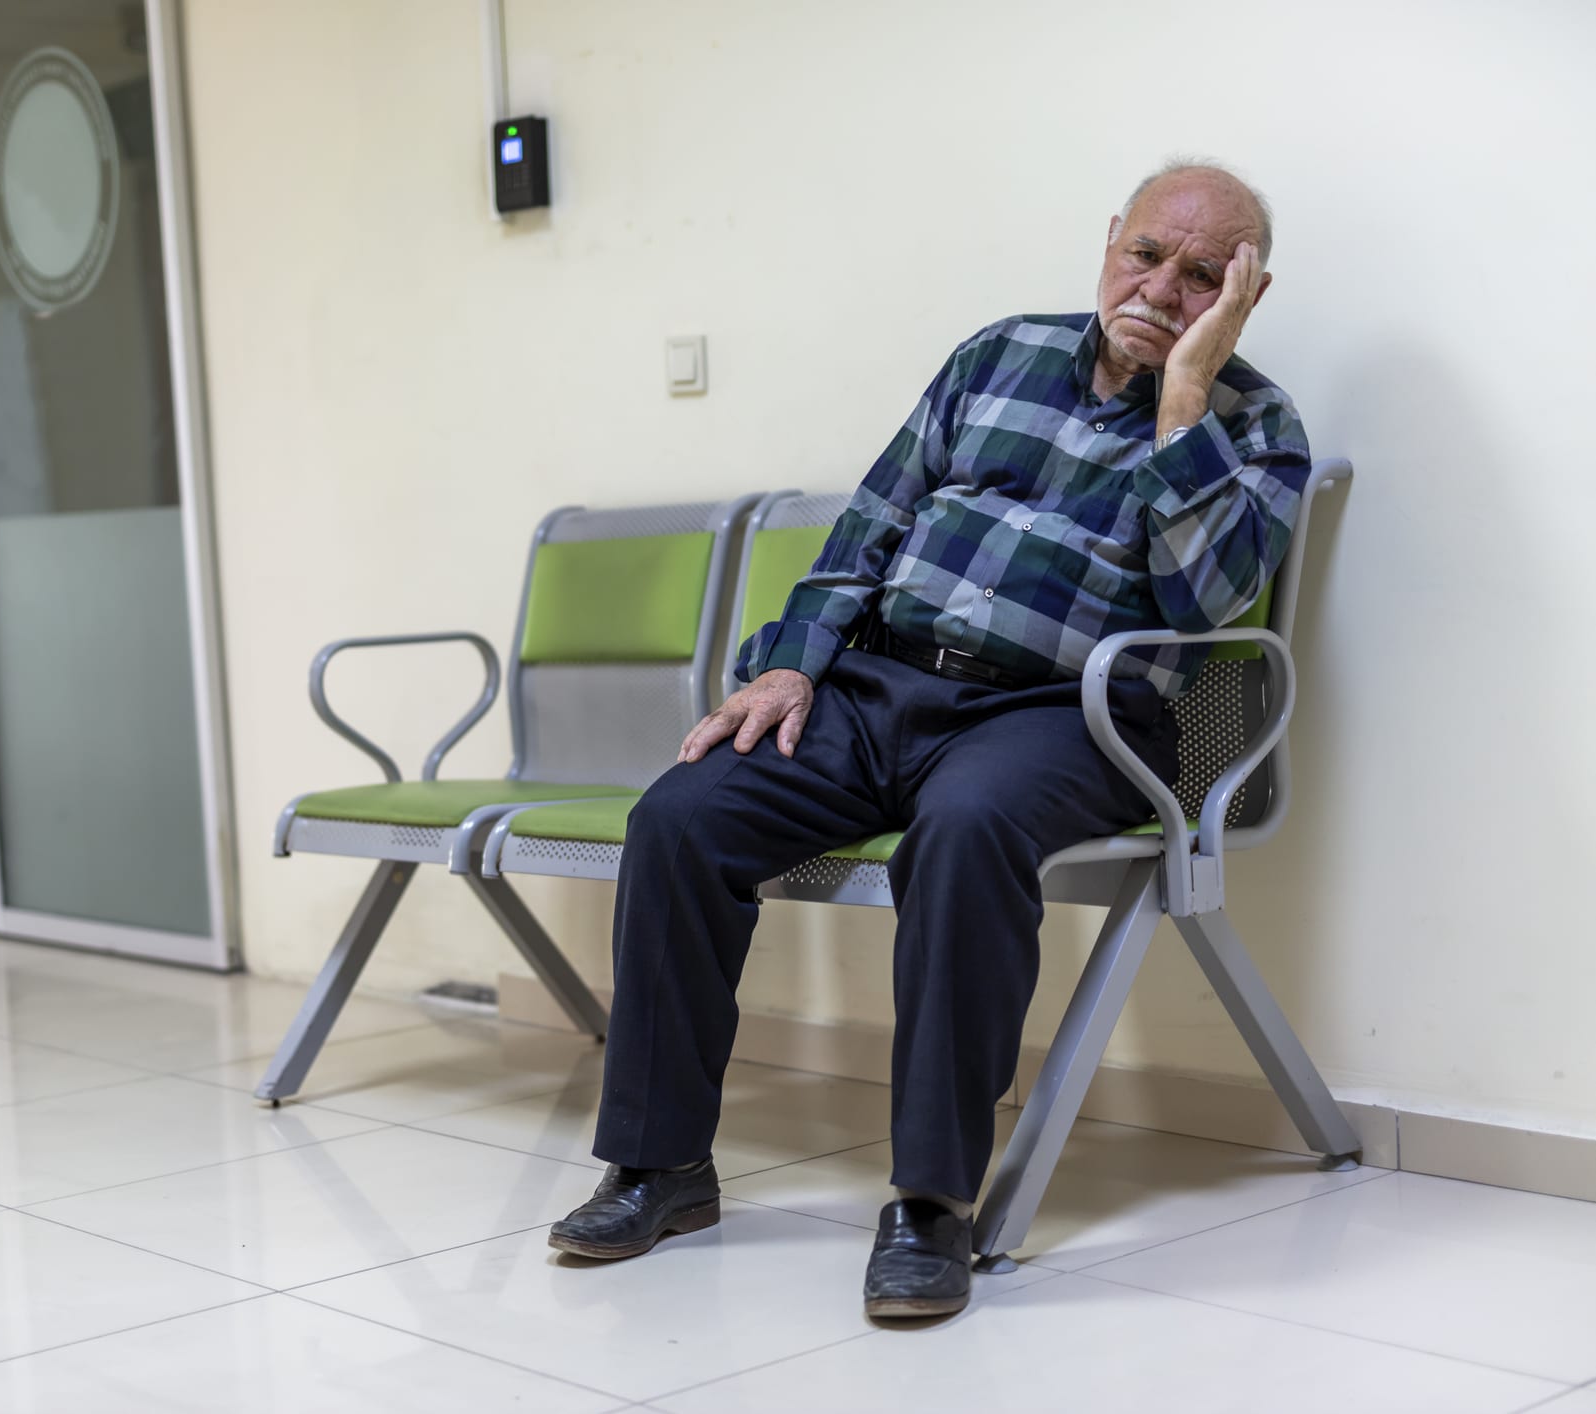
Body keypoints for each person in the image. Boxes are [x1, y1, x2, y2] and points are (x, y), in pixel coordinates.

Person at [546, 158, 1311, 1319]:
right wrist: (796, 659)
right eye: (1147, 252)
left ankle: (929, 1204)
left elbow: (1208, 609)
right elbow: (870, 524)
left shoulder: (1258, 429)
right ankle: (659, 1165)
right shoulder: (995, 355)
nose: (1161, 286)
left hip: (1070, 715)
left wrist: (1185, 402)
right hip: (880, 685)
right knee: (683, 815)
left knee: (960, 832)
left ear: (1244, 294)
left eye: (1203, 275)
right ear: (1110, 239)